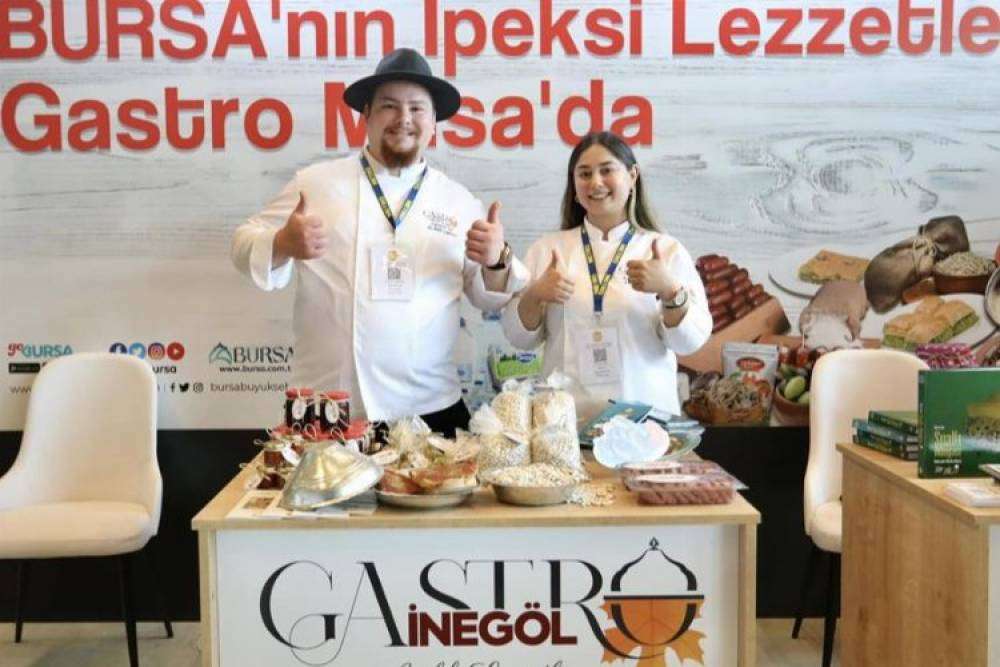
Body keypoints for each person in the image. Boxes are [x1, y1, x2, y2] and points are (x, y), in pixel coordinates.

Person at [232, 48, 527, 435]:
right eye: (389, 106)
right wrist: (283, 243)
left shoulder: (459, 201)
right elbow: (243, 242)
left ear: (433, 123)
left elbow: (491, 297)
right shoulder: (315, 184)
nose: (404, 118)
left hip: (430, 407)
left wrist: (497, 259)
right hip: (327, 403)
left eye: (417, 108)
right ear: (366, 115)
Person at [502, 131, 711, 421]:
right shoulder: (547, 249)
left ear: (632, 176)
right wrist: (535, 294)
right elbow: (518, 338)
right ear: (574, 185)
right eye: (584, 174)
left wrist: (670, 291)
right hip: (564, 423)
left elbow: (690, 342)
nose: (596, 183)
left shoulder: (665, 250)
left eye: (606, 170)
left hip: (645, 419)